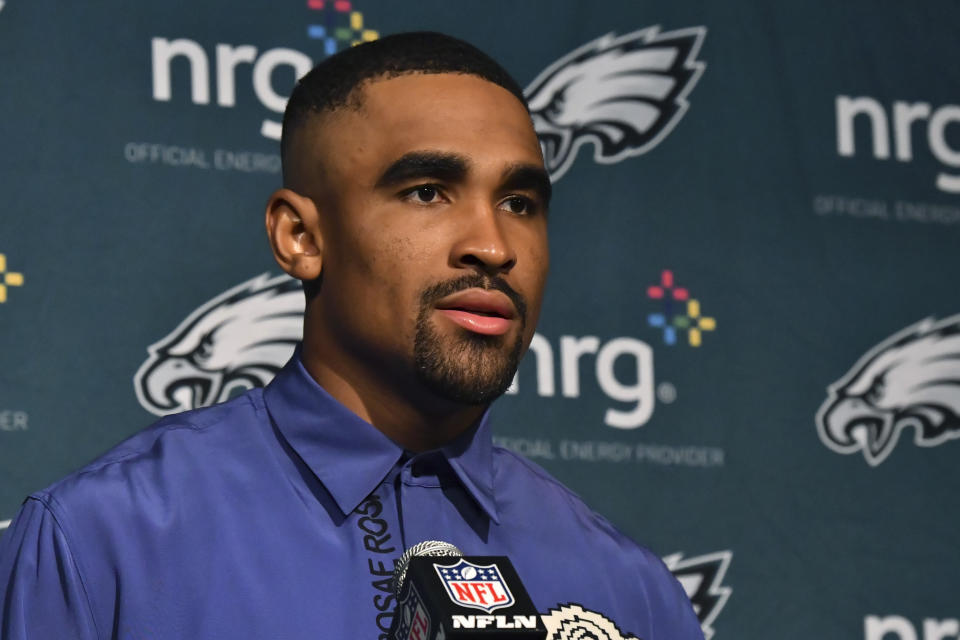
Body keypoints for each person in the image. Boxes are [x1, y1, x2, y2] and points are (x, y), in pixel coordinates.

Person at [0, 32, 703, 639]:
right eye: (427, 191)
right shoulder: (102, 544)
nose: (493, 245)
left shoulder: (632, 591)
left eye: (520, 202)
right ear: (301, 236)